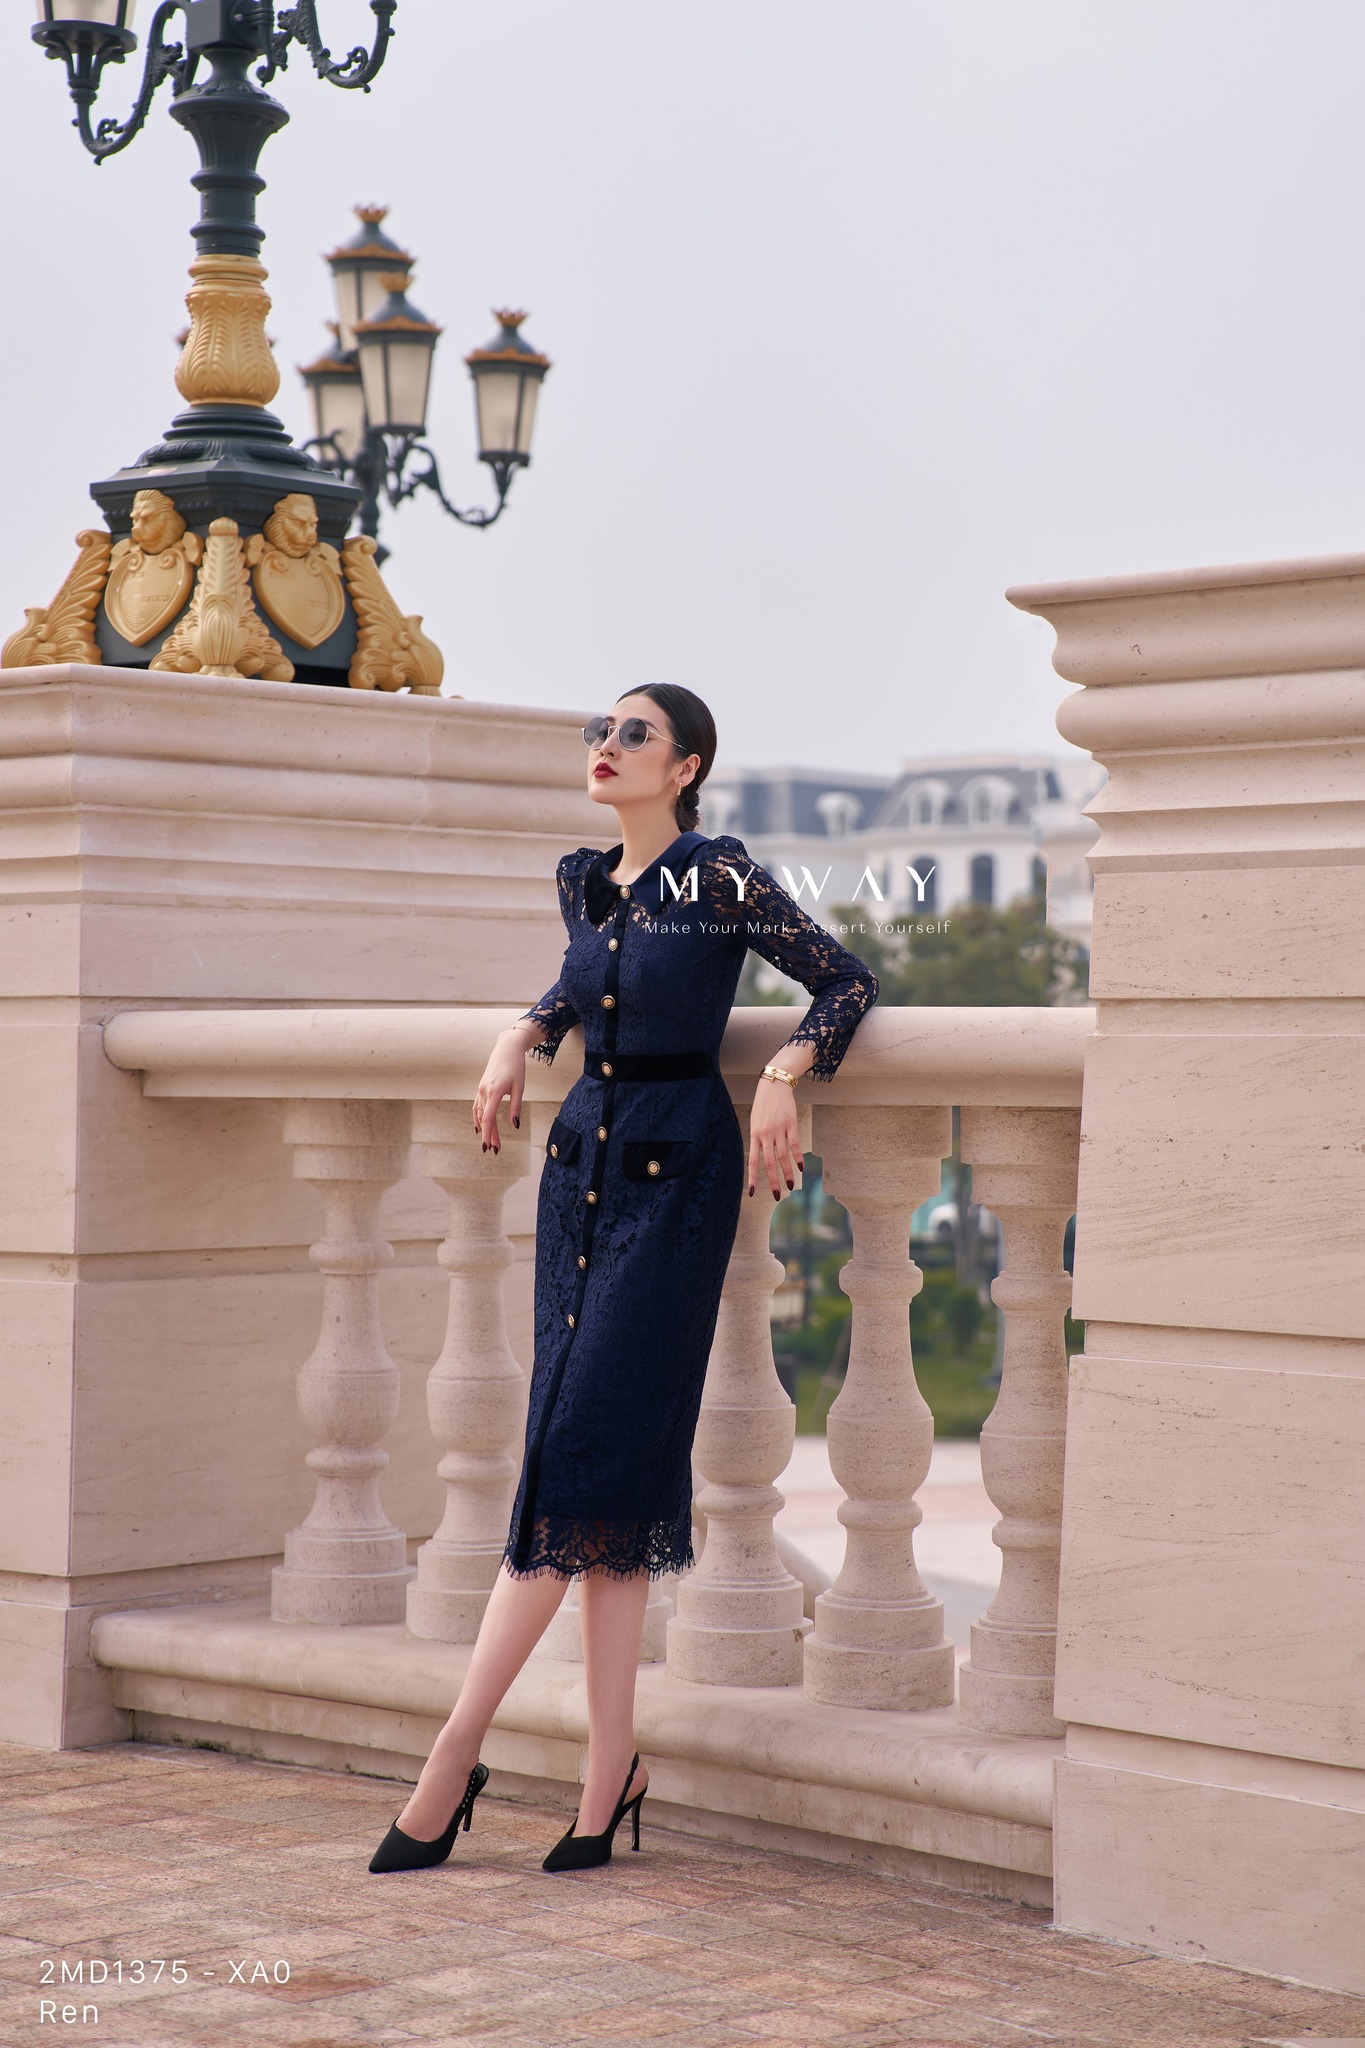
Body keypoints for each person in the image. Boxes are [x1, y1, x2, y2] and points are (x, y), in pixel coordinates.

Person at [368, 683, 878, 1875]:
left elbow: (844, 979)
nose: (606, 745)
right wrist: (522, 1032)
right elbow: (583, 985)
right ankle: (611, 1773)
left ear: (686, 765)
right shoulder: (585, 879)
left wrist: (784, 1073)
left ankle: (452, 1755)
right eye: (600, 731)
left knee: (577, 1455)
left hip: (676, 1177)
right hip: (577, 1177)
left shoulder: (718, 875)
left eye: (633, 733)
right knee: (602, 1479)